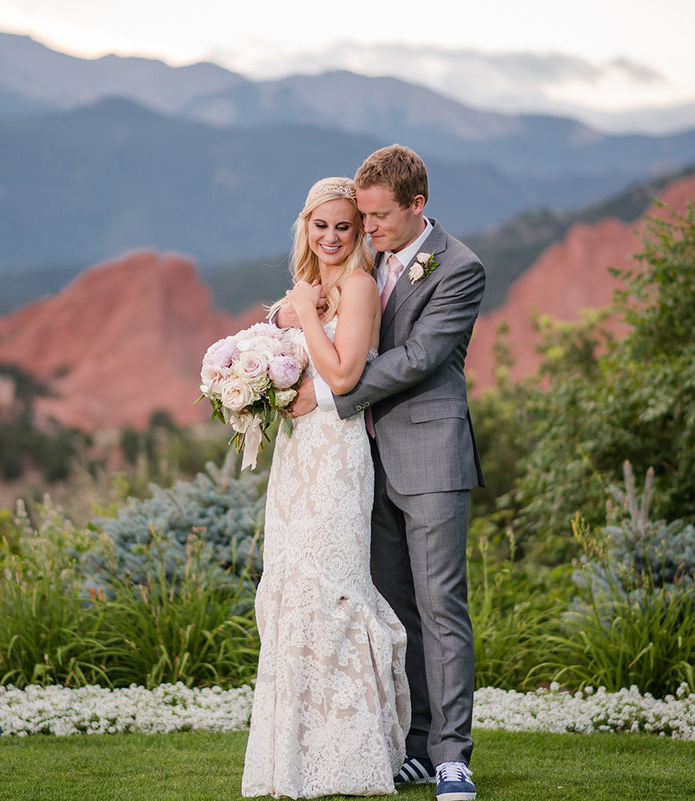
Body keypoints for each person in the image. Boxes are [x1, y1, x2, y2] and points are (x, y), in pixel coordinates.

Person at [282, 146, 485, 801]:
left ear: (416, 205)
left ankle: (454, 758)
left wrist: (331, 391)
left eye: (377, 216)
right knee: (397, 613)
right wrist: (278, 326)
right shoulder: (366, 258)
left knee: (441, 608)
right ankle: (416, 746)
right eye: (360, 216)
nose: (365, 228)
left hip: (430, 458)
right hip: (361, 464)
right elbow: (323, 304)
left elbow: (421, 355)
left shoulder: (459, 267)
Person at [241, 176, 411, 799]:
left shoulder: (359, 288)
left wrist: (309, 315)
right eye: (322, 226)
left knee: (332, 584)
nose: (333, 237)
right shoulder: (302, 291)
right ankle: (292, 757)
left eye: (345, 225)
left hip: (337, 458)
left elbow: (342, 375)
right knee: (288, 582)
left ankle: (350, 754)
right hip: (294, 457)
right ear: (305, 228)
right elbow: (290, 367)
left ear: (359, 229)